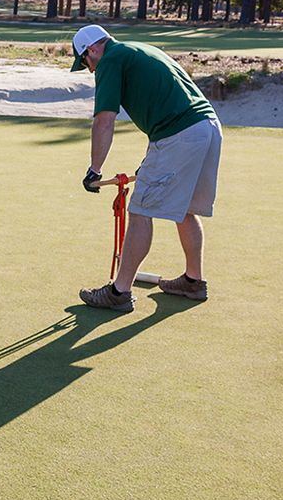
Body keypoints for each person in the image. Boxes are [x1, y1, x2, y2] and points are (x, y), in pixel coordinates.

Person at [71, 24, 222, 313]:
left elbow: (104, 120)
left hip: (179, 133)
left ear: (93, 50)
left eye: (85, 62)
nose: (89, 70)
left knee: (140, 211)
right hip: (208, 128)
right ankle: (193, 281)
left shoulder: (110, 60)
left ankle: (119, 292)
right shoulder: (139, 49)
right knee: (185, 207)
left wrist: (94, 170)